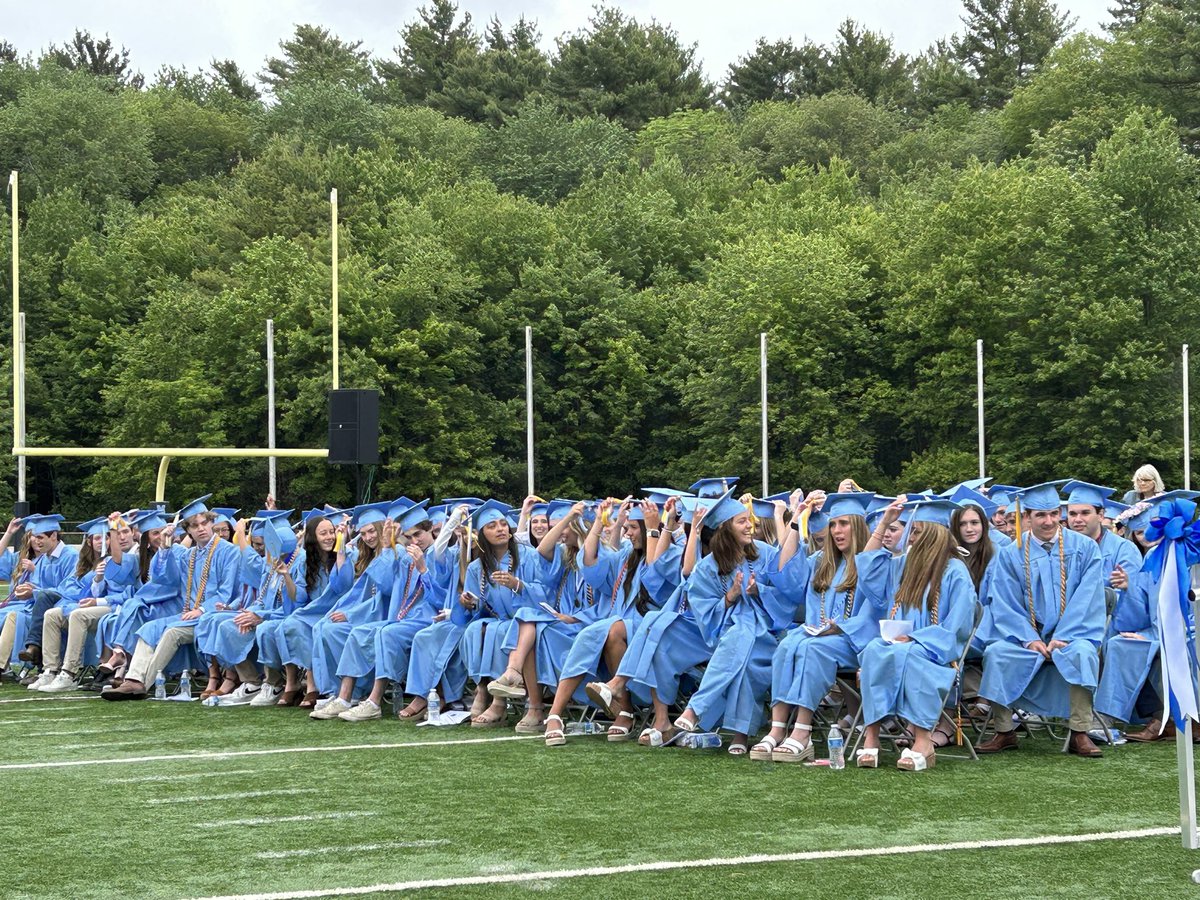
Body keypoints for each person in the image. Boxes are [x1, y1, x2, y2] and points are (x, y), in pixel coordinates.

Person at [975, 482, 1107, 757]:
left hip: (1072, 635)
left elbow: (1088, 598)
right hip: (1026, 637)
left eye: (1053, 514)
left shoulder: (1084, 549)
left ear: (1059, 513)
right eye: (1040, 515)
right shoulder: (1011, 554)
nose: (1048, 521)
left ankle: (1079, 733)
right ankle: (1004, 731)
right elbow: (1005, 603)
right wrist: (1029, 638)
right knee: (996, 652)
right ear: (1027, 517)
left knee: (1083, 653)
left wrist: (1064, 636)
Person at [671, 488, 805, 755]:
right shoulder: (707, 568)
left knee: (741, 637)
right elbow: (704, 613)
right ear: (725, 529)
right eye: (742, 521)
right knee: (743, 652)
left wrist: (761, 592)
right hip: (729, 637)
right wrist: (729, 598)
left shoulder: (764, 554)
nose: (750, 525)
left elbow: (789, 593)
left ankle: (696, 708)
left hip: (769, 633)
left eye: (749, 520)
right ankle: (740, 735)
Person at [848, 499, 977, 771]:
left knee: (914, 653)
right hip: (900, 646)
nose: (911, 537)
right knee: (873, 649)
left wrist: (918, 639)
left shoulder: (955, 571)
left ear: (934, 534)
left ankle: (923, 740)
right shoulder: (903, 565)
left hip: (934, 651)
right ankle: (872, 737)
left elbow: (958, 626)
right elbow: (868, 568)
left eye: (917, 531)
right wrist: (884, 522)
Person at [757, 491, 881, 762]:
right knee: (787, 643)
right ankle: (778, 728)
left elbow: (875, 614)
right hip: (818, 635)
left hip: (853, 642)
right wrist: (796, 518)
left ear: (859, 526)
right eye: (833, 525)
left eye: (844, 524)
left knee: (813, 648)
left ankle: (802, 731)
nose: (837, 531)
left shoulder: (872, 564)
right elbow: (785, 574)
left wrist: (842, 627)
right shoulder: (820, 563)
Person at [102, 495, 241, 701]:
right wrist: (165, 548)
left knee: (172, 632)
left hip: (214, 614)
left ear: (212, 523)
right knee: (148, 628)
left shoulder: (229, 552)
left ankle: (143, 683)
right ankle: (132, 679)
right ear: (188, 531)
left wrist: (201, 610)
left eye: (204, 523)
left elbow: (227, 592)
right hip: (187, 614)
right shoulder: (190, 554)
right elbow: (162, 578)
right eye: (194, 526)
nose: (201, 528)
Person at [330, 501, 442, 722]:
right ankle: (344, 697)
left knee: (386, 633)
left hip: (428, 620)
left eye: (418, 534)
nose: (414, 541)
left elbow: (440, 600)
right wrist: (388, 547)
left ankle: (374, 701)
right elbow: (387, 585)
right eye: (409, 537)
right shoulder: (405, 557)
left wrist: (423, 569)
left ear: (431, 530)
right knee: (359, 632)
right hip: (402, 620)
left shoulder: (440, 556)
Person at [453, 500, 548, 730]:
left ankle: (498, 702)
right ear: (482, 535)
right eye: (492, 526)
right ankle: (483, 688)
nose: (500, 529)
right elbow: (481, 606)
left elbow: (546, 593)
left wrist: (517, 584)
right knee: (477, 628)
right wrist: (469, 603)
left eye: (503, 524)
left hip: (529, 619)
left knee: (501, 629)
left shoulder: (528, 555)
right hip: (500, 620)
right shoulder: (477, 567)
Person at [196, 510, 303, 706]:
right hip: (265, 614)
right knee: (228, 625)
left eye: (265, 544)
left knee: (261, 628)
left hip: (283, 617)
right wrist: (251, 612)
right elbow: (261, 597)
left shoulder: (298, 562)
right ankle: (251, 681)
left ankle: (274, 683)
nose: (263, 550)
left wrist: (260, 616)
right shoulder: (272, 563)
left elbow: (294, 604)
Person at [307, 502, 397, 717]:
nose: (367, 537)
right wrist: (341, 551)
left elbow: (386, 590)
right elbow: (345, 589)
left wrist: (351, 614)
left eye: (371, 531)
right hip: (368, 613)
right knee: (324, 627)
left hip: (384, 615)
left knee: (336, 630)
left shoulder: (394, 553)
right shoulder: (366, 555)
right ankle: (335, 691)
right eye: (363, 533)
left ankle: (353, 692)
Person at [32, 514, 139, 692]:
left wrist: (96, 600)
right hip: (102, 604)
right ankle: (50, 669)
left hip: (120, 607)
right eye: (115, 534)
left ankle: (69, 672)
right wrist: (97, 579)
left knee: (77, 614)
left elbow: (127, 593)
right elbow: (94, 589)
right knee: (51, 614)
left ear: (134, 533)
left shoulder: (134, 557)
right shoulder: (102, 560)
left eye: (125, 532)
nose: (120, 537)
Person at [252, 509, 337, 706]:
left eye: (331, 532)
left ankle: (312, 684)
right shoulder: (307, 562)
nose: (329, 537)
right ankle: (291, 684)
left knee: (298, 625)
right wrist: (286, 576)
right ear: (313, 537)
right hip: (313, 611)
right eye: (323, 533)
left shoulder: (344, 556)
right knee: (288, 625)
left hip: (333, 611)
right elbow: (298, 597)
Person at [14, 514, 80, 673]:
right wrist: (27, 589)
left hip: (68, 600)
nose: (36, 541)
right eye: (35, 537)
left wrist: (35, 593)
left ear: (54, 536)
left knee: (42, 597)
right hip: (45, 602)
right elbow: (39, 585)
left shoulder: (71, 556)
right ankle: (36, 657)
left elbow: (68, 589)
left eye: (40, 537)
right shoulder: (45, 558)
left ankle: (33, 647)